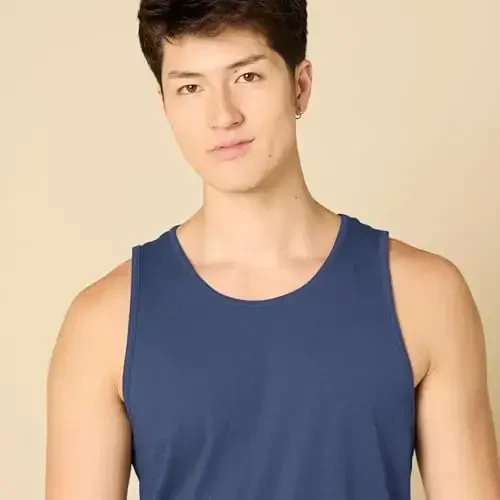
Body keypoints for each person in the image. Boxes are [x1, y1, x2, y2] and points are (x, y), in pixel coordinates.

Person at [45, 1, 500, 499]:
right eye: (190, 87)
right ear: (166, 105)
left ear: (299, 85)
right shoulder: (104, 323)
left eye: (247, 77)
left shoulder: (425, 296)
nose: (223, 115)